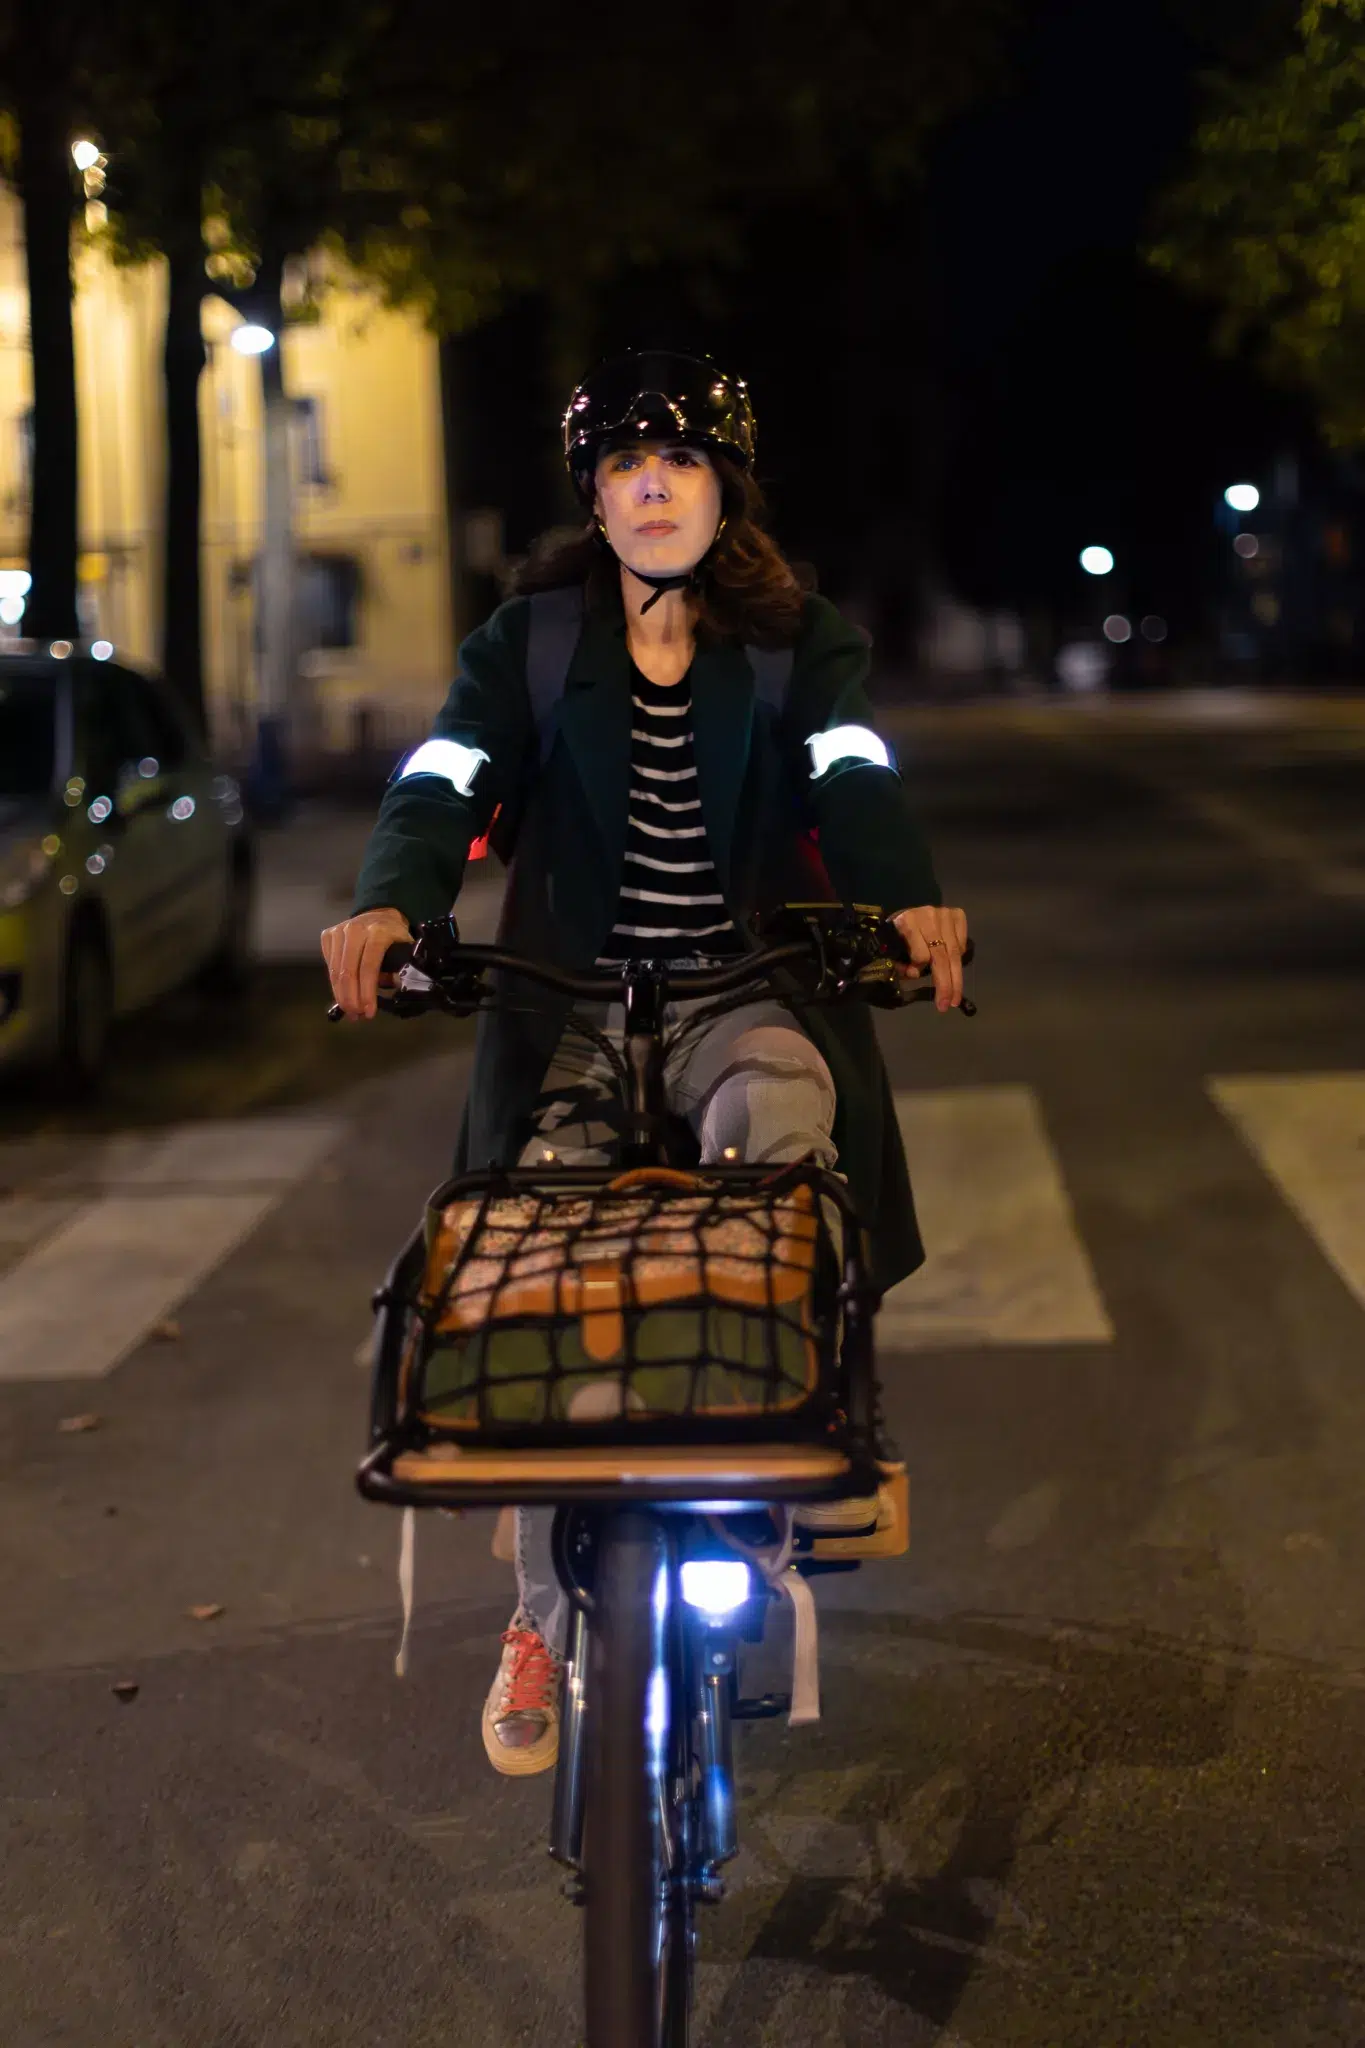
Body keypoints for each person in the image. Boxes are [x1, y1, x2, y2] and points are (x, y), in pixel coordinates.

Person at [322, 348, 968, 1777]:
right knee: (541, 1268)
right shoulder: (531, 642)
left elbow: (854, 774)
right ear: (596, 499)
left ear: (727, 491)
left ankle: (785, 1444)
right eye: (625, 465)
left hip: (743, 990)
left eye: (680, 462)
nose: (654, 487)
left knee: (781, 1135)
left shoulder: (795, 642)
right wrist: (390, 903)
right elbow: (445, 776)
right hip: (568, 1006)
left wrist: (905, 902)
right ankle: (539, 1617)